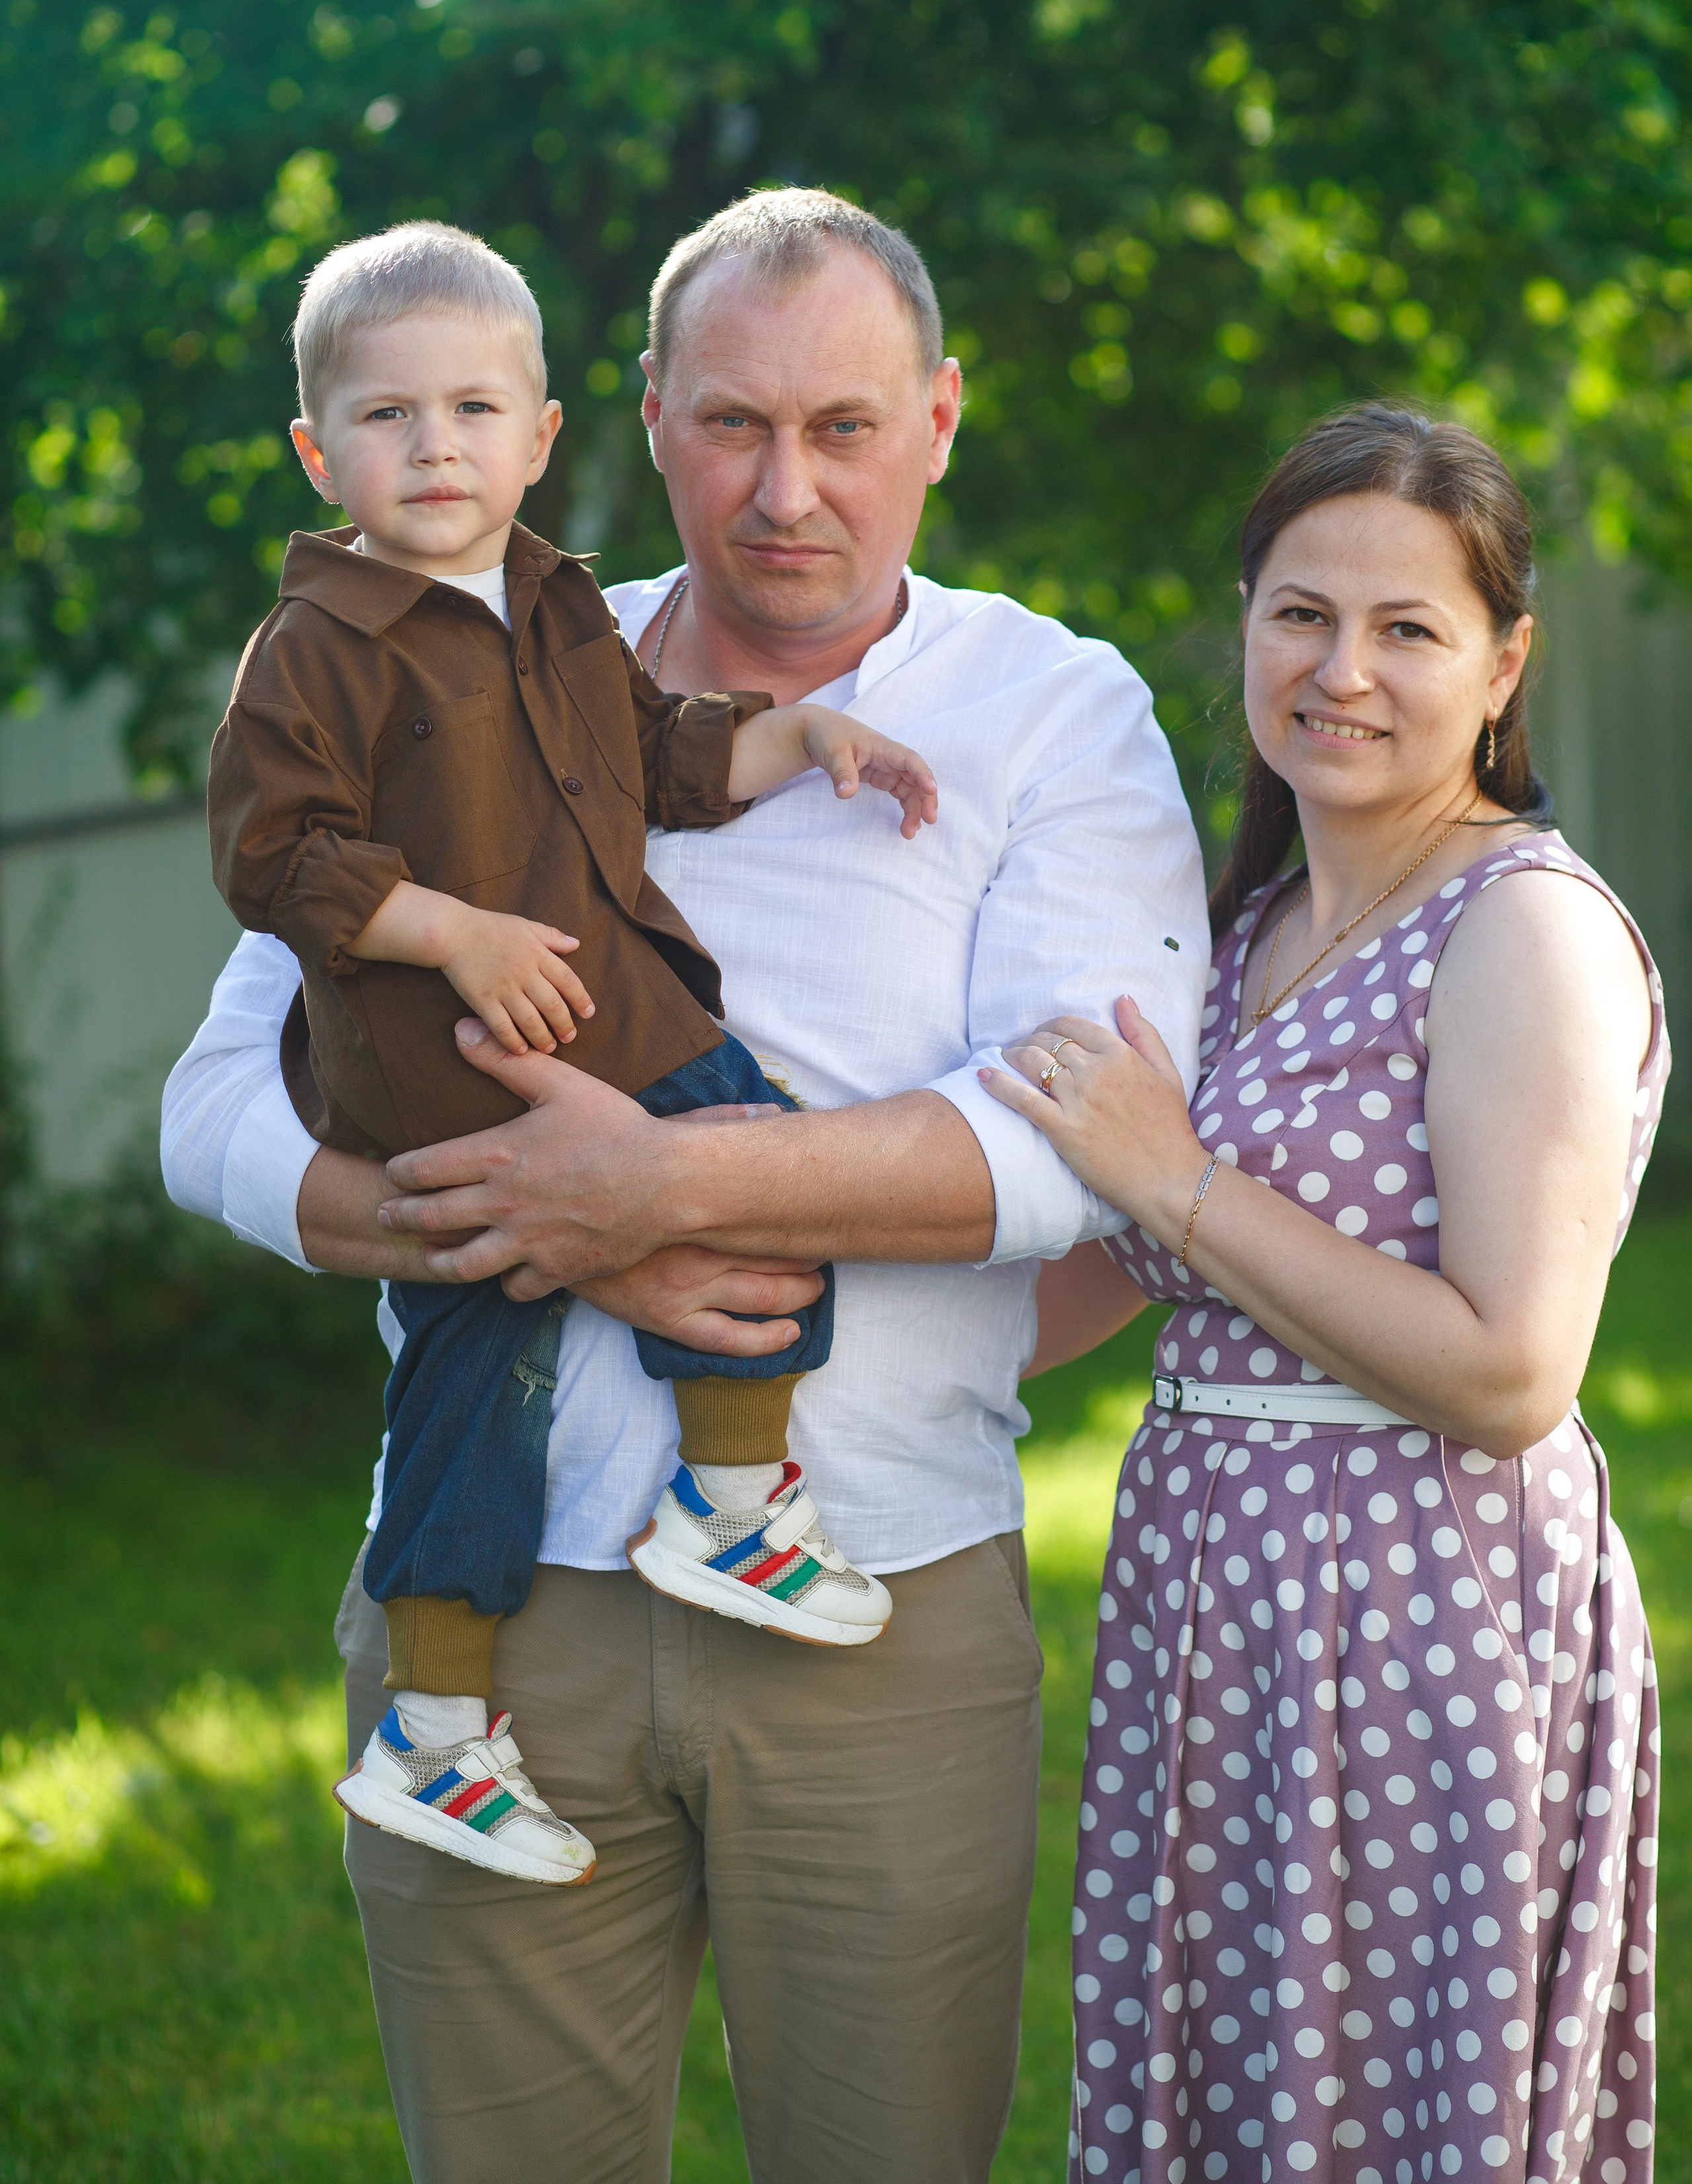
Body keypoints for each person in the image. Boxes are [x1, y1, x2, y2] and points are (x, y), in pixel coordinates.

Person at [161, 185, 1210, 2182]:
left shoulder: (1052, 711)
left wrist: (650, 1195)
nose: (788, 488)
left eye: (844, 426)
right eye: (735, 422)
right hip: (493, 1615)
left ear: (941, 420)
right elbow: (218, 1101)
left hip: (878, 1594)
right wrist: (499, 1227)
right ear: (638, 419)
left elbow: (1070, 1144)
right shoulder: (466, 639)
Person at [205, 220, 944, 1889]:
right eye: (388, 418)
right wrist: (447, 929)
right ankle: (719, 1512)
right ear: (322, 451)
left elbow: (655, 757)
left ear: (541, 437)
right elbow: (272, 857)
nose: (437, 446)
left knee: (484, 1384)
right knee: (740, 1150)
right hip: (451, 1056)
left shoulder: (546, 604)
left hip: (585, 1016)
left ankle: (448, 1730)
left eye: (475, 409)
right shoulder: (314, 649)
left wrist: (795, 738)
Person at [989, 406, 1662, 2184]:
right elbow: (1124, 1273)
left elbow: (1513, 1369)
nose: (1341, 669)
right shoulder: (1250, 922)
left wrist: (1177, 1181)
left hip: (1421, 1624)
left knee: (1370, 2116)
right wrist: (832, 1370)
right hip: (1218, 1617)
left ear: (1504, 664)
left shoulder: (1525, 927)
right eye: (1301, 614)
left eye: (1408, 628)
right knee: (1226, 2097)